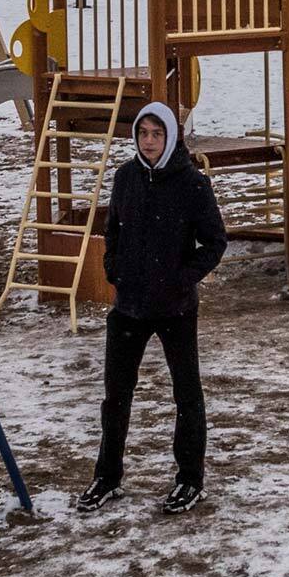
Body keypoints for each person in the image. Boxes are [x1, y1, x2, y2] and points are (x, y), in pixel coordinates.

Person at [77, 102, 225, 516]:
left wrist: (182, 277)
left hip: (175, 308)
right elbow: (112, 230)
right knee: (116, 397)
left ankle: (189, 479)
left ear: (170, 137)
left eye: (156, 134)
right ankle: (107, 477)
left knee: (187, 394)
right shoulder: (126, 178)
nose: (149, 141)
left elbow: (215, 242)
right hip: (128, 306)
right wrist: (114, 269)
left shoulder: (192, 184)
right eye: (143, 133)